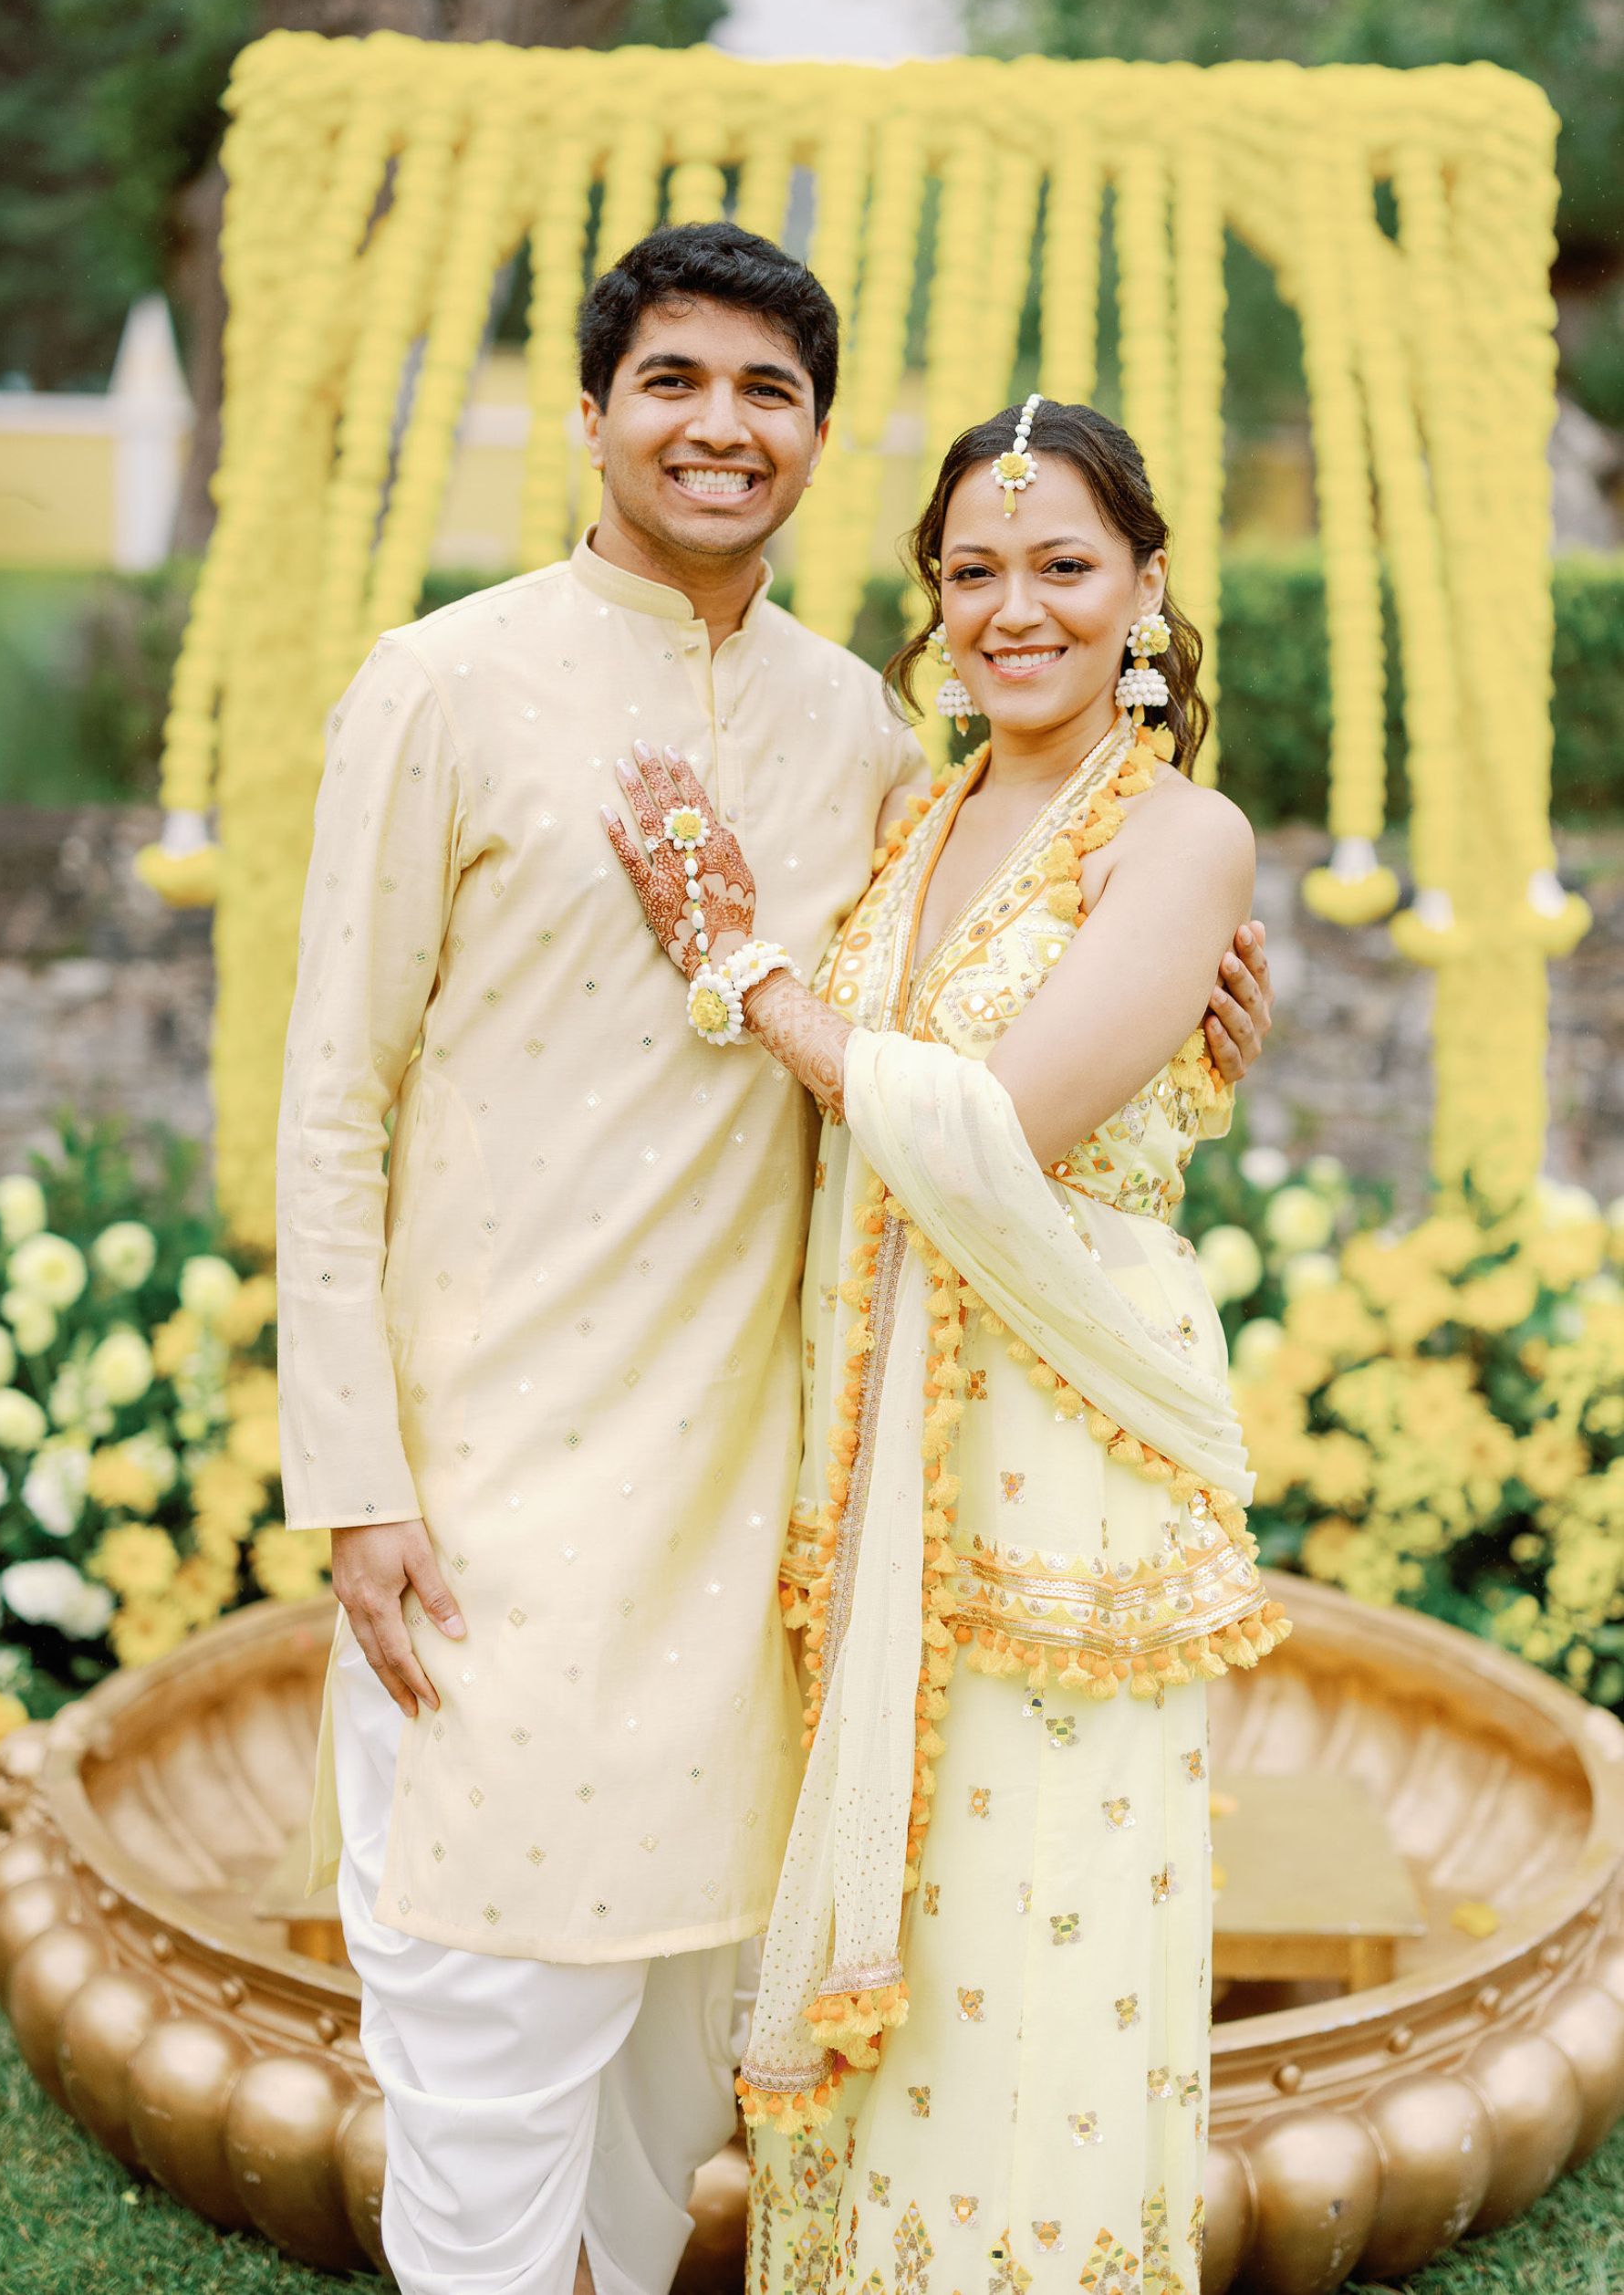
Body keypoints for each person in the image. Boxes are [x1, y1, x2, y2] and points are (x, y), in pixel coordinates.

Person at [275, 226, 1275, 2295]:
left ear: (816, 439)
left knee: (682, 2097)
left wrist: (1191, 1034)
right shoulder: (441, 683)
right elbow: (331, 1107)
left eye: (769, 392)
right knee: (483, 2033)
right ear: (590, 414)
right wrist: (355, 1478)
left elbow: (982, 1063)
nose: (719, 426)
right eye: (674, 381)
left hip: (781, 1523)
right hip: (495, 1495)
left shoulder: (868, 746)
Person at [607, 392, 1291, 2292]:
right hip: (887, 1445)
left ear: (1145, 587)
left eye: (1064, 565)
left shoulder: (1183, 837)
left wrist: (743, 969)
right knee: (909, 1922)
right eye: (973, 570)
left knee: (1039, 1924)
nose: (1016, 609)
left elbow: (995, 1128)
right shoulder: (927, 816)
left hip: (1062, 1471)